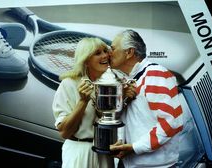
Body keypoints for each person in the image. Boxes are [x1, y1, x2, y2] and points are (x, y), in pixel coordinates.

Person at [109, 29, 184, 168]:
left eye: (113, 48)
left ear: (129, 52)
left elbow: (170, 123)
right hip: (129, 163)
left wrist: (134, 147)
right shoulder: (127, 79)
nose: (109, 53)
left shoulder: (155, 73)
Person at [52, 37, 115, 168]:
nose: (105, 56)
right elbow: (64, 132)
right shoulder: (69, 83)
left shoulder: (112, 85)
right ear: (86, 60)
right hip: (79, 150)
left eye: (105, 51)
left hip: (105, 152)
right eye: (98, 53)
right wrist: (82, 101)